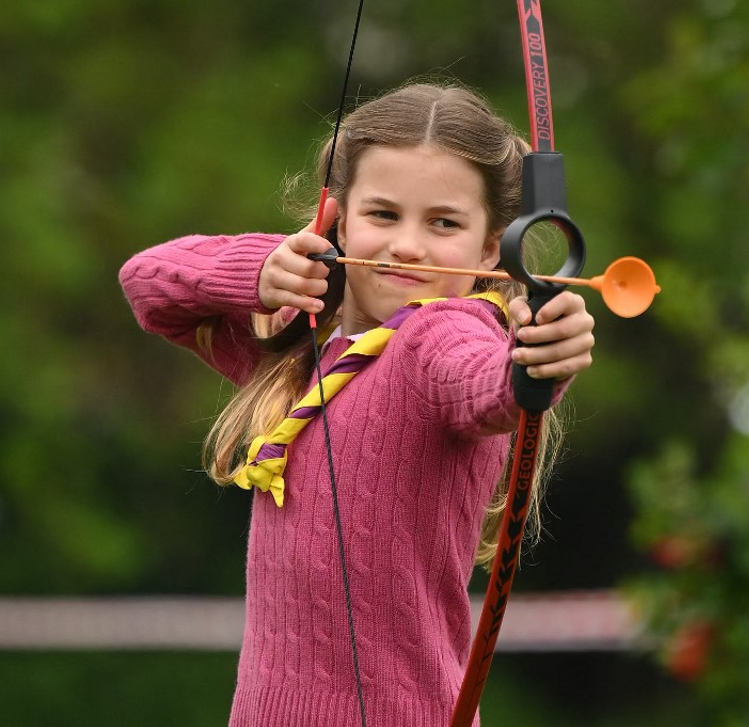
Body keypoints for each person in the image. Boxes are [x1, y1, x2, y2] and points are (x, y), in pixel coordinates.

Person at [119, 82, 595, 726]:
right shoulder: (298, 346)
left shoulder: (441, 333)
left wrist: (539, 361)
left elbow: (486, 385)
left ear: (492, 250)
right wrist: (263, 269)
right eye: (383, 214)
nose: (406, 244)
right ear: (336, 219)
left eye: (444, 223)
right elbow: (147, 284)